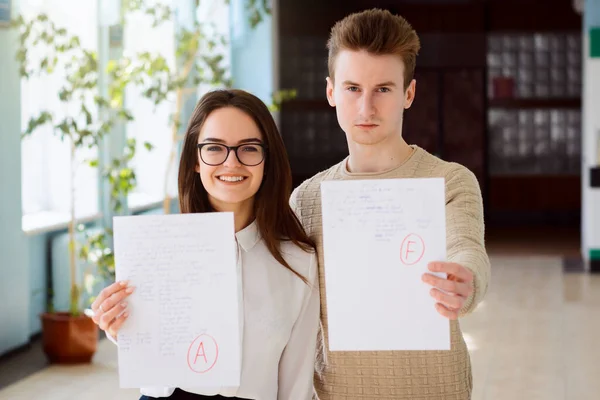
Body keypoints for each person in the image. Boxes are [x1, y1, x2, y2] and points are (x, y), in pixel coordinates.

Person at [290, 8, 491, 400]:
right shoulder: (307, 199)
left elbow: (468, 249)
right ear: (331, 92)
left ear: (408, 94)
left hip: (436, 390)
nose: (366, 108)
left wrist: (466, 283)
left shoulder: (449, 181)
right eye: (352, 89)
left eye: (383, 89)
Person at [90, 89, 320, 400]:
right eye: (214, 148)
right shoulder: (159, 250)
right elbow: (154, 376)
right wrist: (121, 329)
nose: (231, 163)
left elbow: (297, 384)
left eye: (248, 149)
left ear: (268, 159)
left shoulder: (298, 261)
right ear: (196, 161)